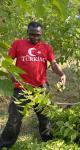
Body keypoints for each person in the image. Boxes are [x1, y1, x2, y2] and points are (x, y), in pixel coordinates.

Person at [0, 21, 66, 149]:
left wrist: (62, 74)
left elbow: (53, 64)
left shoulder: (46, 47)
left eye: (38, 35)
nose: (35, 37)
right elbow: (8, 62)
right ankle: (4, 145)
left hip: (41, 88)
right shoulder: (18, 44)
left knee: (45, 118)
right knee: (14, 120)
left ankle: (49, 143)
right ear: (27, 33)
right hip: (21, 88)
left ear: (41, 34)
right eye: (32, 34)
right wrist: (11, 72)